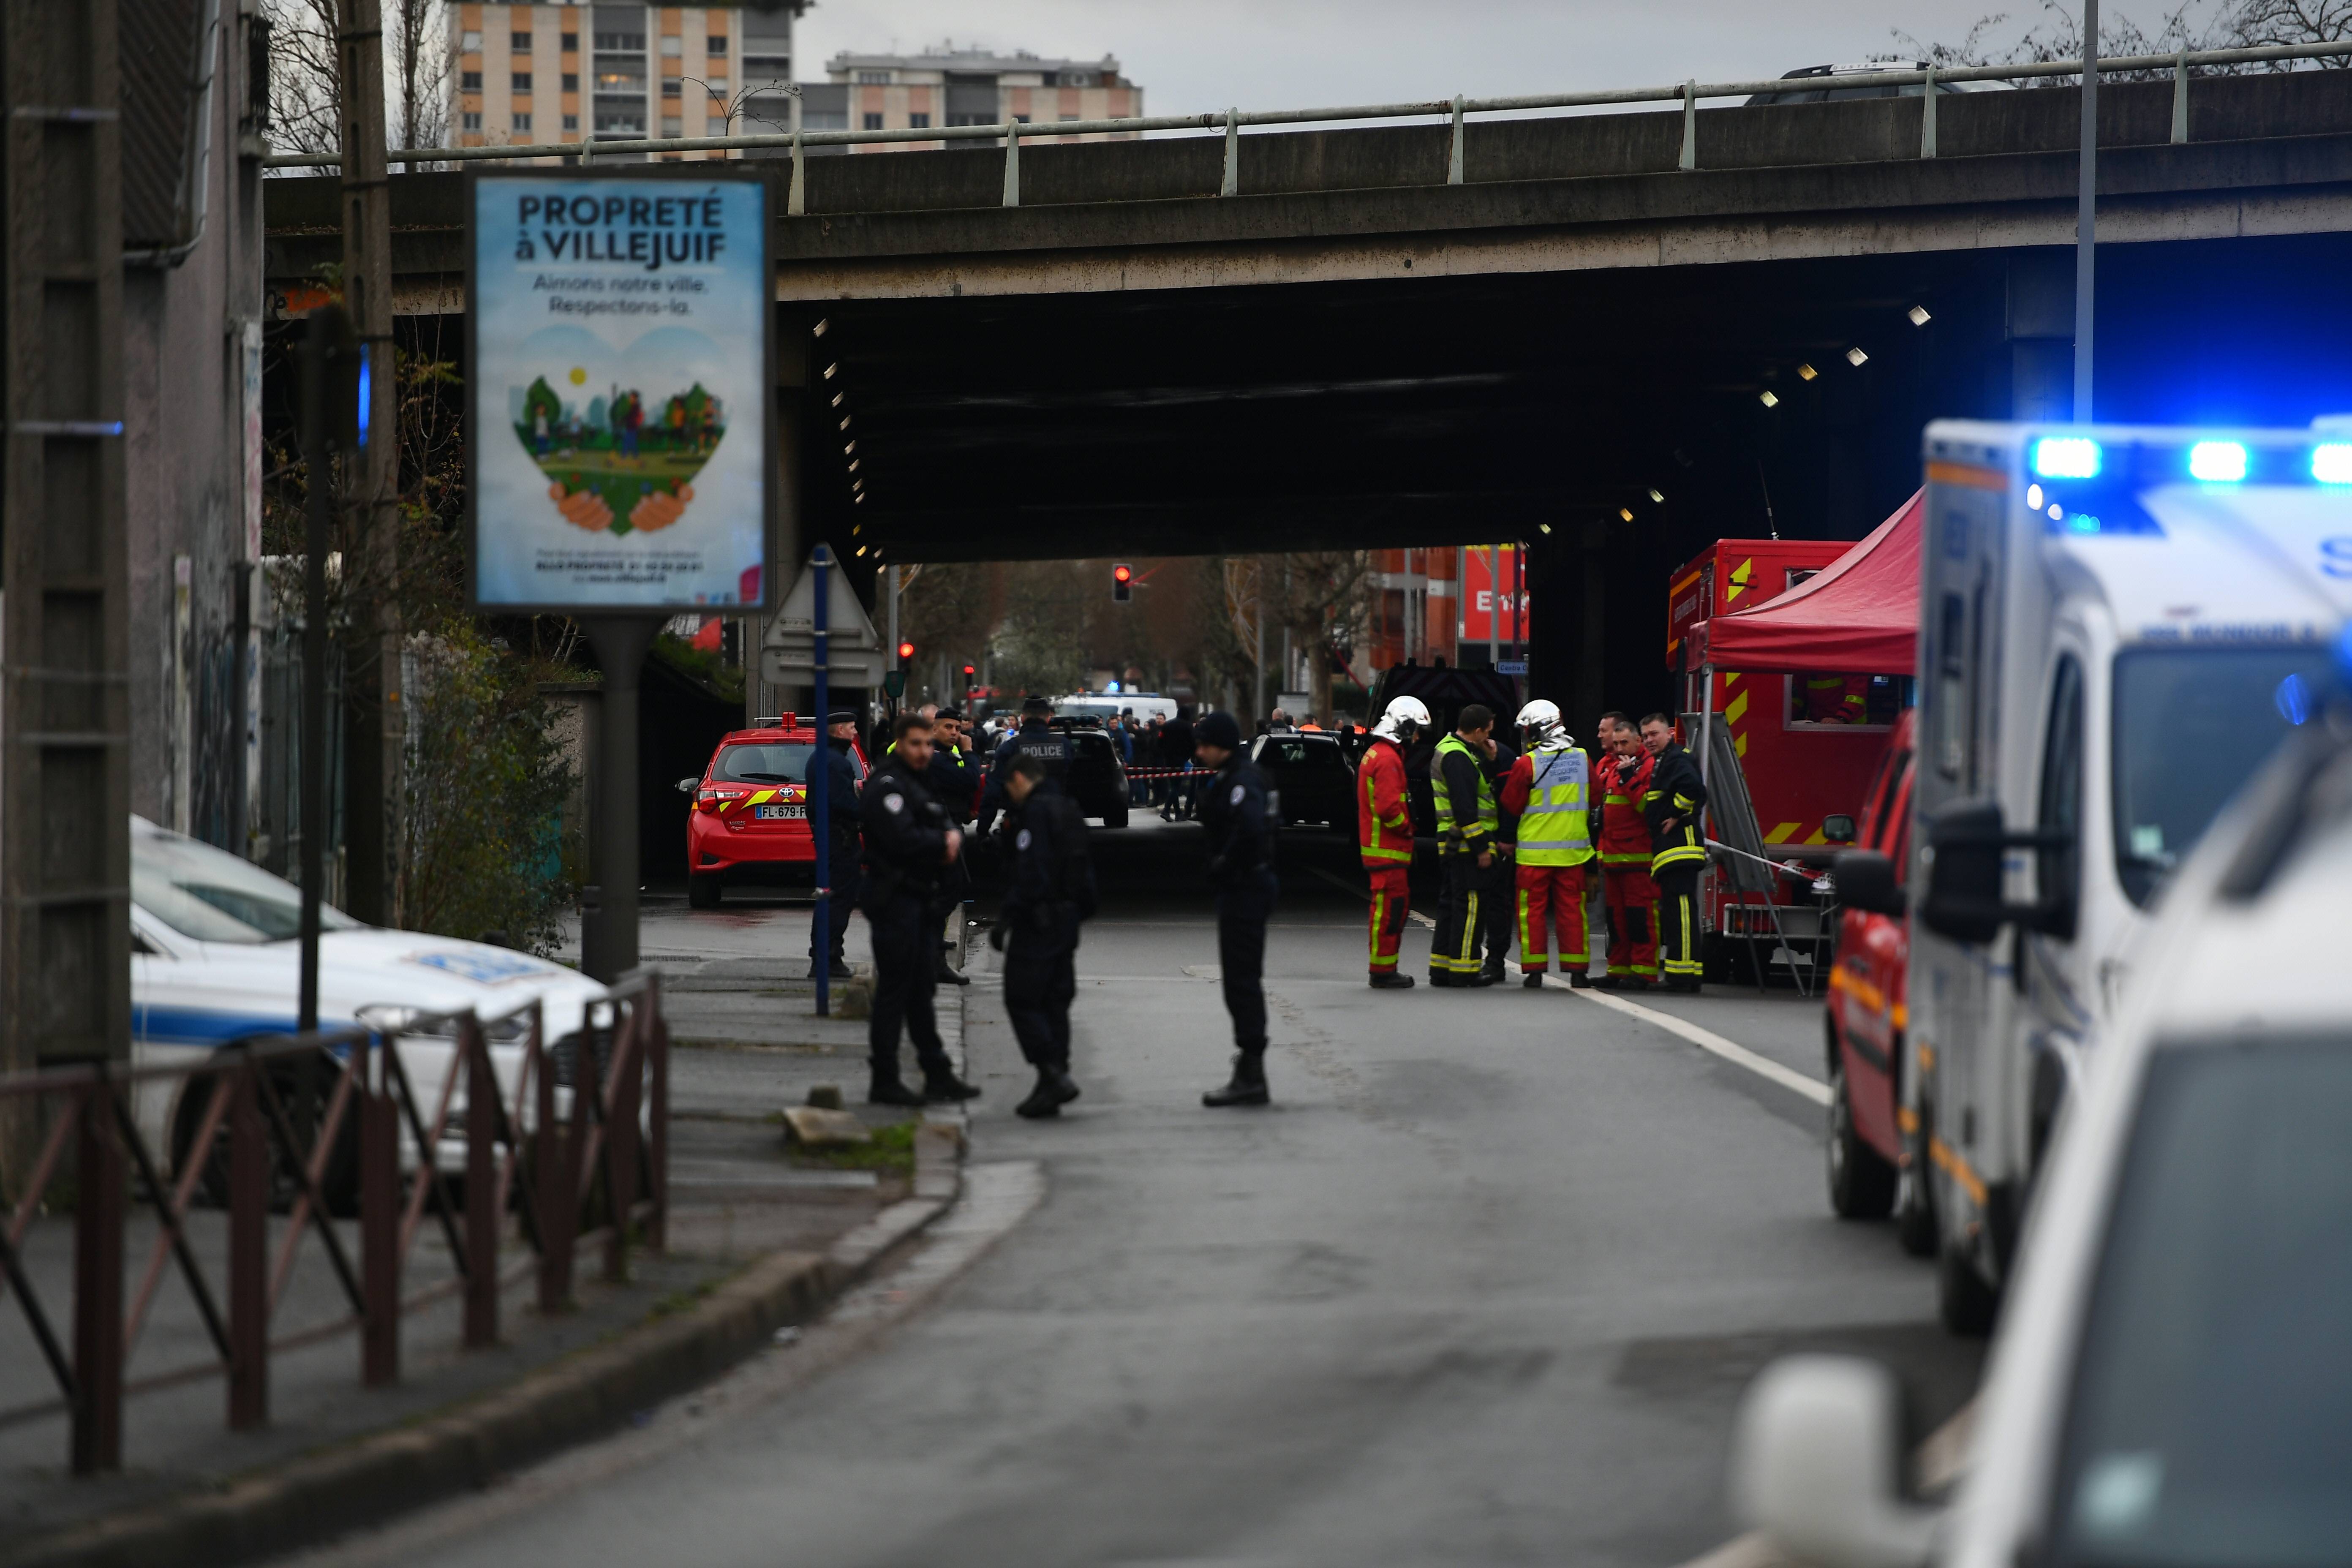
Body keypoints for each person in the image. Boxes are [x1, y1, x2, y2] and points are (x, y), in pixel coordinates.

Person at [859, 712, 982, 1105]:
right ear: (901, 743)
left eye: (928, 744)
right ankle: (884, 1079)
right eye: (916, 744)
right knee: (895, 994)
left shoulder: (918, 781)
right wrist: (940, 843)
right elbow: (901, 838)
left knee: (918, 994)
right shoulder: (889, 784)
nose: (924, 751)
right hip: (895, 902)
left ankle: (937, 1073)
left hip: (919, 903)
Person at [990, 752, 1096, 1118]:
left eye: (1008, 784)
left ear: (1019, 778)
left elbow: (1032, 871)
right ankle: (1054, 1079)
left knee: (1021, 999)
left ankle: (1052, 1073)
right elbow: (1084, 866)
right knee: (1055, 1001)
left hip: (1039, 922)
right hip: (1067, 920)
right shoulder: (1068, 808)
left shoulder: (1034, 814)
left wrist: (1008, 917)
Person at [1193, 710, 1277, 1106]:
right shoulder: (1241, 776)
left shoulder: (1243, 781)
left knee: (1241, 981)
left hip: (1245, 888)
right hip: (1246, 886)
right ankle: (1249, 1066)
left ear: (1221, 744)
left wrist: (1224, 863)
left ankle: (1252, 1071)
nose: (1200, 752)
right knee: (1240, 979)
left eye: (1205, 744)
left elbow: (1250, 829)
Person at [1499, 700, 1595, 988]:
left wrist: (1506, 840)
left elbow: (1511, 806)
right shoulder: (1583, 758)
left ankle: (1535, 971)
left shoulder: (1527, 764)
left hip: (1533, 857)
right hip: (1573, 855)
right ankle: (1578, 971)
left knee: (1532, 914)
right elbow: (1597, 799)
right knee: (1572, 912)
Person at [1430, 704, 1505, 988]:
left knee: (1450, 904)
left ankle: (1441, 968)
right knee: (1471, 906)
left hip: (1452, 843)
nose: (1489, 738)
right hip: (1466, 845)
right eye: (1487, 732)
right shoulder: (1460, 758)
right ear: (1477, 731)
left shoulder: (1451, 749)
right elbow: (1465, 809)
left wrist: (1488, 759)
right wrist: (1482, 849)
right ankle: (1464, 970)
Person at [1358, 695, 1426, 989]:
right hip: (1389, 852)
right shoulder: (1388, 759)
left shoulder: (1379, 753)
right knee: (1391, 913)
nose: (1418, 738)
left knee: (1390, 912)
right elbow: (1389, 810)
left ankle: (1384, 968)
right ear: (1404, 726)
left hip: (1384, 853)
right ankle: (1383, 971)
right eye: (1416, 730)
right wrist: (1408, 830)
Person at [1639, 712, 1709, 993]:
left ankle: (1684, 976)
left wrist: (1677, 814)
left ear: (1669, 733)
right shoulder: (1663, 761)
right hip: (1670, 849)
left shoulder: (1676, 758)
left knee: (1680, 911)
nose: (1649, 740)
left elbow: (1693, 788)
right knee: (1675, 910)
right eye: (1645, 736)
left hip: (1680, 846)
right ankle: (1681, 973)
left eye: (1654, 734)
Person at [1594, 713, 1659, 991]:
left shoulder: (1648, 767)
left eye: (1625, 743)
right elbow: (1604, 815)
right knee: (1616, 920)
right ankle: (1618, 970)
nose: (1619, 748)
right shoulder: (1610, 767)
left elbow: (1647, 808)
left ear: (1638, 742)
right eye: (1616, 743)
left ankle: (1644, 973)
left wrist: (1629, 778)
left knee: (1639, 918)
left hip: (1638, 860)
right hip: (1613, 859)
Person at [920, 705, 980, 988]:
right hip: (938, 834)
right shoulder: (933, 758)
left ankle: (933, 956)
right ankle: (931, 959)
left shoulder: (942, 756)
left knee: (950, 892)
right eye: (949, 727)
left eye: (958, 728)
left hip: (949, 826)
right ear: (934, 729)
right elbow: (969, 780)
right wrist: (969, 752)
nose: (956, 733)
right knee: (944, 893)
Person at [806, 709, 863, 980]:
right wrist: (868, 810)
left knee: (829, 898)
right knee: (838, 900)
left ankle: (824, 958)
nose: (855, 733)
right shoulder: (835, 762)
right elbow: (842, 803)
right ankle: (828, 960)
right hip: (840, 840)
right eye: (851, 728)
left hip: (828, 838)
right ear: (839, 731)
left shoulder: (820, 758)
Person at [1159, 708, 1196, 820]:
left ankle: (1178, 813)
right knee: (1176, 786)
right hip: (1180, 759)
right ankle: (1166, 810)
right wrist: (1189, 756)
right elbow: (1193, 743)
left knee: (1173, 785)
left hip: (1168, 758)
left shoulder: (1167, 725)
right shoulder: (1188, 727)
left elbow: (1160, 741)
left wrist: (1164, 753)